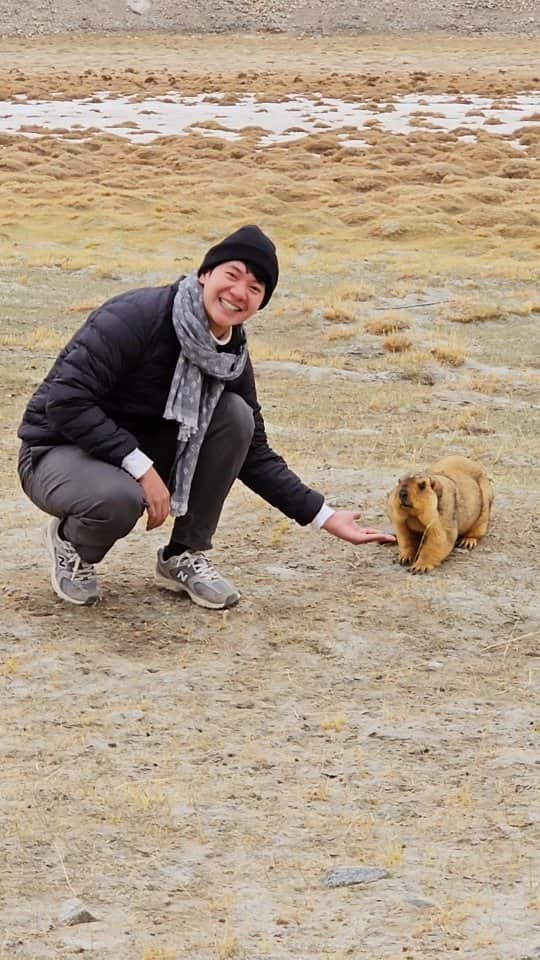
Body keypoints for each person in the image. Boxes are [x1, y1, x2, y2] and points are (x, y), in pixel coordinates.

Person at [17, 224, 395, 610]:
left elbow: (254, 452)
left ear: (260, 304)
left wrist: (324, 516)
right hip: (59, 449)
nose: (238, 293)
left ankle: (183, 554)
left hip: (133, 455)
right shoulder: (137, 316)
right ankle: (72, 543)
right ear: (205, 274)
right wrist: (142, 469)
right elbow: (65, 402)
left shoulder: (229, 357)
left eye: (255, 288)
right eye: (232, 275)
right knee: (119, 499)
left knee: (236, 416)